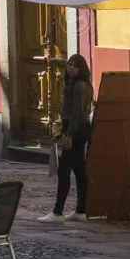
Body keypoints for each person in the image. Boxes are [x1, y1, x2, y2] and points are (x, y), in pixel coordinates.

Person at [39, 54, 94, 224]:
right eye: (69, 64)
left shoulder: (78, 87)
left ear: (81, 68)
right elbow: (70, 113)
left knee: (64, 171)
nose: (70, 68)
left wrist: (69, 134)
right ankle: (81, 210)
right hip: (77, 129)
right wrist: (62, 131)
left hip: (76, 130)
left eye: (75, 66)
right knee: (79, 171)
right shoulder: (78, 85)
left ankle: (57, 212)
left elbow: (77, 114)